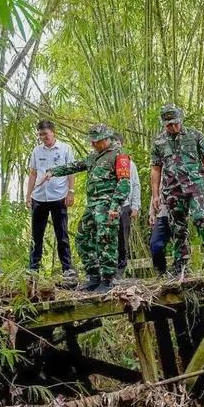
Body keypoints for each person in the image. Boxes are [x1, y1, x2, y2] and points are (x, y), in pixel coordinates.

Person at [38, 124, 131, 292]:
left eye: (96, 142)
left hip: (108, 205)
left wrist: (115, 206)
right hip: (93, 205)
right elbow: (75, 166)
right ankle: (94, 276)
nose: (92, 145)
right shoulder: (94, 156)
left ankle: (108, 279)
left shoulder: (119, 154)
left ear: (105, 139)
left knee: (106, 239)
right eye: (92, 142)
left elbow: (124, 183)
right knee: (82, 237)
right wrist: (53, 171)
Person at [150, 104, 204, 278]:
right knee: (178, 229)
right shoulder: (159, 142)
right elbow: (156, 169)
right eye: (168, 125)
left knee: (201, 218)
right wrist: (156, 195)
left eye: (175, 123)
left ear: (180, 120)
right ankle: (181, 265)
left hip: (195, 186)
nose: (173, 127)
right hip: (172, 190)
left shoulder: (195, 135)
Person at [25, 120, 77, 283]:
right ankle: (33, 268)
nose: (43, 137)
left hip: (58, 196)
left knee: (61, 234)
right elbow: (33, 173)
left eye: (45, 134)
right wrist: (28, 195)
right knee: (36, 235)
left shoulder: (65, 149)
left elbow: (71, 171)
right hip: (39, 197)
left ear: (53, 132)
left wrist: (71, 192)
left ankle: (67, 268)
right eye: (40, 135)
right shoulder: (36, 151)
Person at [113, 132, 140, 279]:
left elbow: (135, 184)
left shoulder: (128, 163)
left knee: (123, 238)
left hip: (125, 205)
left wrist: (135, 206)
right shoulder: (105, 162)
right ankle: (107, 270)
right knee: (107, 239)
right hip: (108, 207)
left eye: (118, 143)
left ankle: (120, 269)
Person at [148, 196, 171, 276]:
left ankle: (182, 268)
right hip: (162, 214)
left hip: (179, 212)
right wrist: (152, 213)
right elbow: (155, 193)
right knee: (155, 244)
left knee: (181, 242)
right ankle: (162, 271)